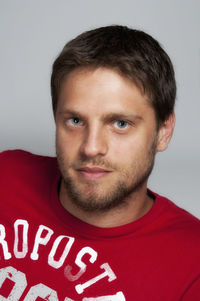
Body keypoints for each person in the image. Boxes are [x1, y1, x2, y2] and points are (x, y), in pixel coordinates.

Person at [0, 25, 199, 301]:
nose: (91, 147)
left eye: (120, 124)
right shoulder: (7, 175)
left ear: (163, 132)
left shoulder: (192, 265)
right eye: (75, 121)